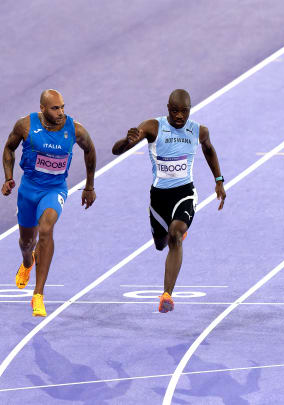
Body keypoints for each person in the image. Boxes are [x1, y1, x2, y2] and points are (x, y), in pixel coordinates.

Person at [111, 89, 226, 313]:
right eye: (175, 111)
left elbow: (209, 150)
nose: (180, 116)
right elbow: (116, 151)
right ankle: (172, 232)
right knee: (160, 244)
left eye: (184, 111)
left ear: (190, 110)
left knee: (175, 235)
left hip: (185, 193)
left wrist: (219, 180)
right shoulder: (154, 127)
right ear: (168, 109)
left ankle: (167, 295)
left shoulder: (199, 131)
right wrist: (127, 141)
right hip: (159, 198)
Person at [2, 89, 97, 317]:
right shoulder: (25, 126)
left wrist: (89, 186)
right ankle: (27, 262)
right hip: (29, 190)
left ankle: (38, 295)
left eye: (63, 107)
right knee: (26, 243)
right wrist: (8, 177)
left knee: (45, 229)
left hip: (54, 190)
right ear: (42, 109)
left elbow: (90, 150)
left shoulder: (74, 129)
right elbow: (9, 148)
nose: (61, 112)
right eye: (55, 108)